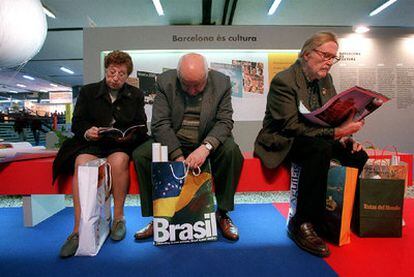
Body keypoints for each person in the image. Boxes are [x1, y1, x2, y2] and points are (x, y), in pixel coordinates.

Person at [254, 32, 368, 257]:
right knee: (319, 148)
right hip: (284, 139)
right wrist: (337, 132)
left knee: (357, 155)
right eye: (325, 55)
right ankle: (301, 223)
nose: (329, 62)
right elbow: (290, 126)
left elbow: (334, 116)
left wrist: (345, 137)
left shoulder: (326, 80)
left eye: (333, 58)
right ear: (307, 54)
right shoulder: (284, 80)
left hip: (317, 136)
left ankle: (340, 215)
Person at [133, 53, 244, 241]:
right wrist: (176, 155)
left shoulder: (222, 82)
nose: (192, 91)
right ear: (178, 76)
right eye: (187, 85)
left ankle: (223, 213)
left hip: (206, 140)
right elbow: (160, 123)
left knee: (232, 152)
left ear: (207, 75)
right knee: (141, 155)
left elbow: (225, 121)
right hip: (175, 139)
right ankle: (158, 217)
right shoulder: (164, 81)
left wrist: (205, 147)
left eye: (198, 85)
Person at [53, 50, 149, 258]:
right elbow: (77, 122)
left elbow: (142, 126)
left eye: (121, 74)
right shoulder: (88, 92)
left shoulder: (136, 94)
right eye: (112, 72)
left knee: (120, 161)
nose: (116, 78)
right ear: (106, 70)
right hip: (94, 144)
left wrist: (129, 136)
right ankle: (77, 230)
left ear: (127, 74)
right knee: (81, 163)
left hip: (119, 144)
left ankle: (119, 219)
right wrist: (88, 131)